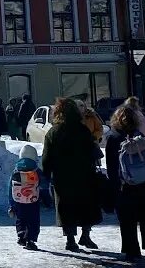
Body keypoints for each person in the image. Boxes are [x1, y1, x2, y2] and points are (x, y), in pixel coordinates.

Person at [41, 97, 102, 252]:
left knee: (66, 208)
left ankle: (70, 240)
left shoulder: (53, 132)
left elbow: (47, 158)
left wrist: (46, 175)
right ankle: (86, 235)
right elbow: (94, 153)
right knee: (86, 206)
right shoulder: (82, 130)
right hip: (84, 175)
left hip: (63, 177)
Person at [105, 105, 145, 259]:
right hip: (144, 182)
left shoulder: (113, 137)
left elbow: (111, 166)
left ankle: (132, 250)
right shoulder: (139, 135)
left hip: (124, 185)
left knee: (127, 220)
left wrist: (114, 186)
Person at [8, 144, 42, 250]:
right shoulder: (36, 170)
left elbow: (10, 187)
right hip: (33, 200)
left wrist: (11, 203)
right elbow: (44, 183)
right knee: (33, 220)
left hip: (18, 200)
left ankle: (21, 235)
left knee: (21, 218)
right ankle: (30, 240)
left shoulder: (16, 170)